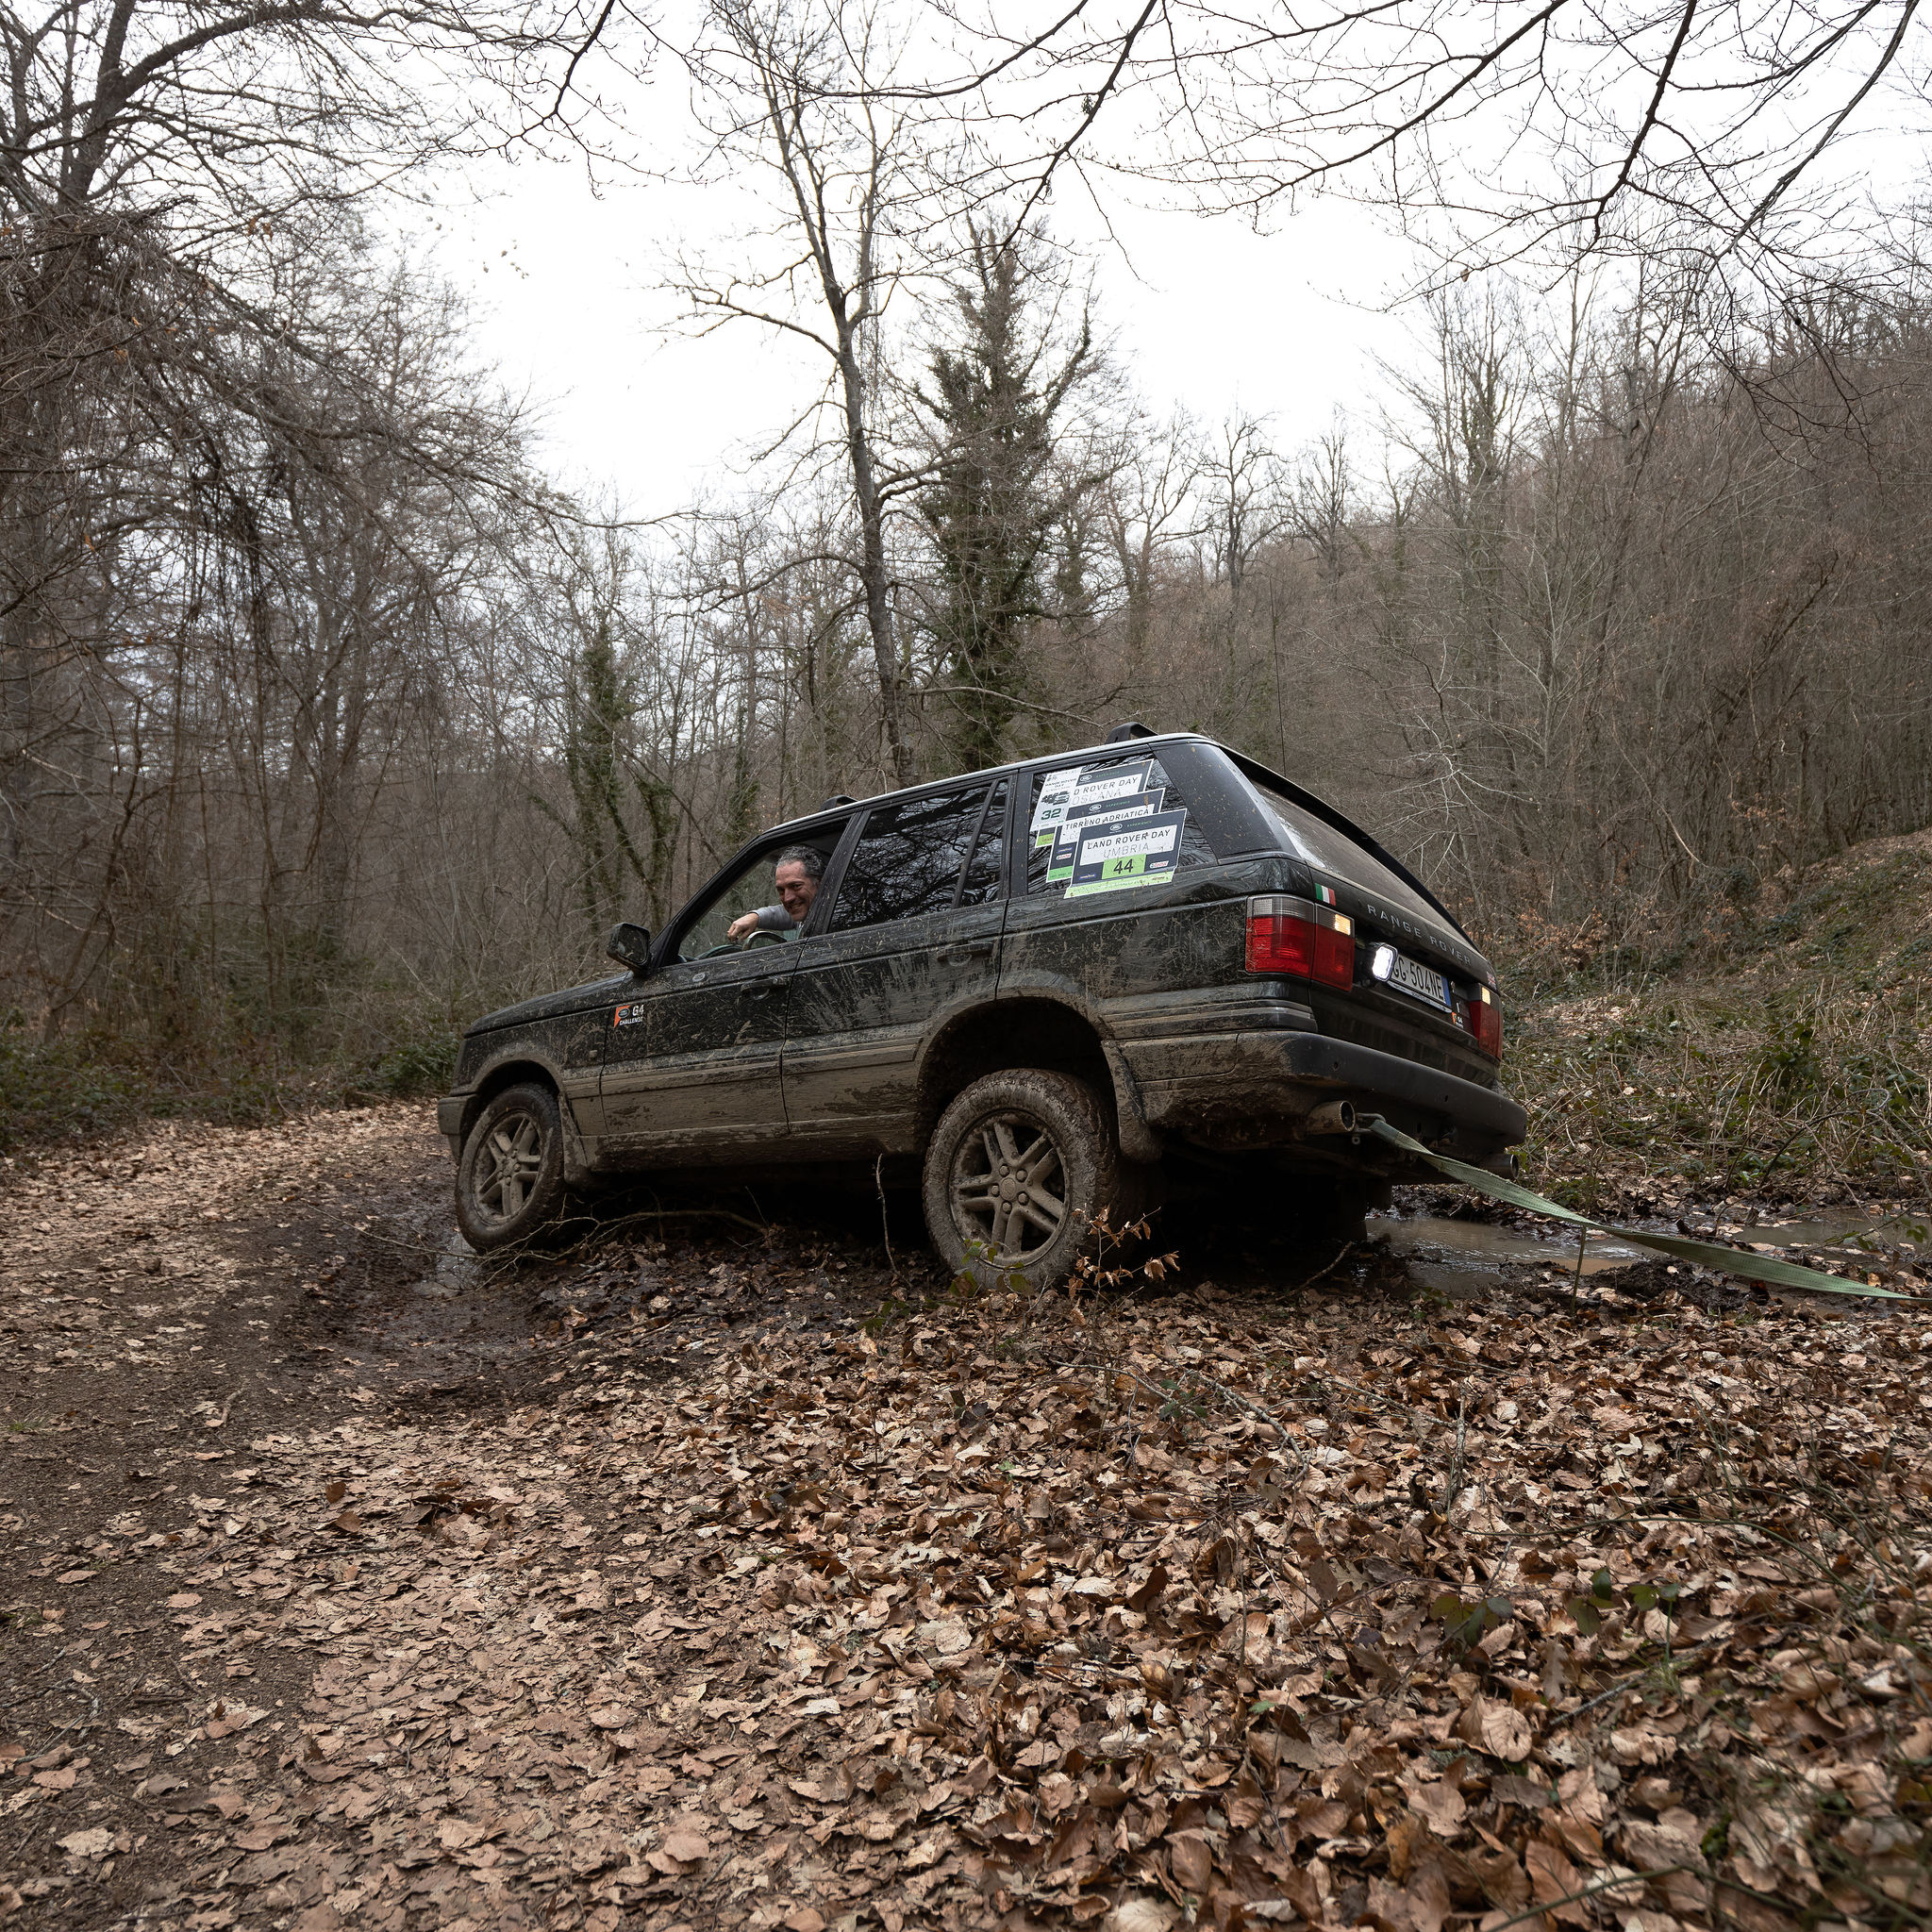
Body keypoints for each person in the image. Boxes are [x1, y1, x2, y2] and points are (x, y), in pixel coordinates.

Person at [726, 845, 824, 941]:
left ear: (819, 883)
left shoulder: (835, 917)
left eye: (796, 886)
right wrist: (755, 917)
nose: (787, 898)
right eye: (781, 890)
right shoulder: (816, 912)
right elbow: (786, 914)